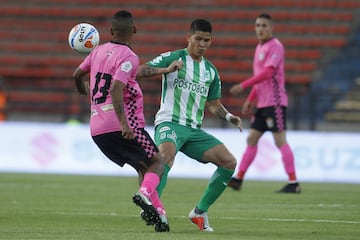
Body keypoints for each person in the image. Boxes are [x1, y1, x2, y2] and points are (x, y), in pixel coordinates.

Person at [136, 19, 242, 232]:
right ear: (188, 37)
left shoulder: (210, 71)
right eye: (198, 39)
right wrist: (166, 69)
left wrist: (229, 116)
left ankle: (199, 212)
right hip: (169, 123)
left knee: (229, 162)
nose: (202, 44)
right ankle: (151, 205)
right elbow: (140, 70)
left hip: (193, 131)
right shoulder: (174, 57)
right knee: (165, 157)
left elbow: (213, 104)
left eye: (207, 40)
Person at [72, 10, 169, 232]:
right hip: (123, 124)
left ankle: (160, 216)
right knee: (157, 163)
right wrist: (124, 123)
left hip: (97, 128)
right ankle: (144, 196)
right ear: (134, 30)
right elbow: (117, 88)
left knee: (143, 168)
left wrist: (83, 91)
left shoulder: (96, 52)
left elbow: (77, 75)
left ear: (111, 31)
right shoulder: (129, 57)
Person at [227, 13, 301, 193]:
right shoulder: (259, 47)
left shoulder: (276, 46)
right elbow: (260, 79)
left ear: (271, 28)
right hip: (262, 103)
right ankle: (238, 179)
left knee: (279, 139)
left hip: (274, 102)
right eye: (258, 25)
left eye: (264, 26)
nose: (260, 29)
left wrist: (244, 85)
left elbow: (268, 73)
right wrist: (251, 99)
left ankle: (293, 183)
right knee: (251, 138)